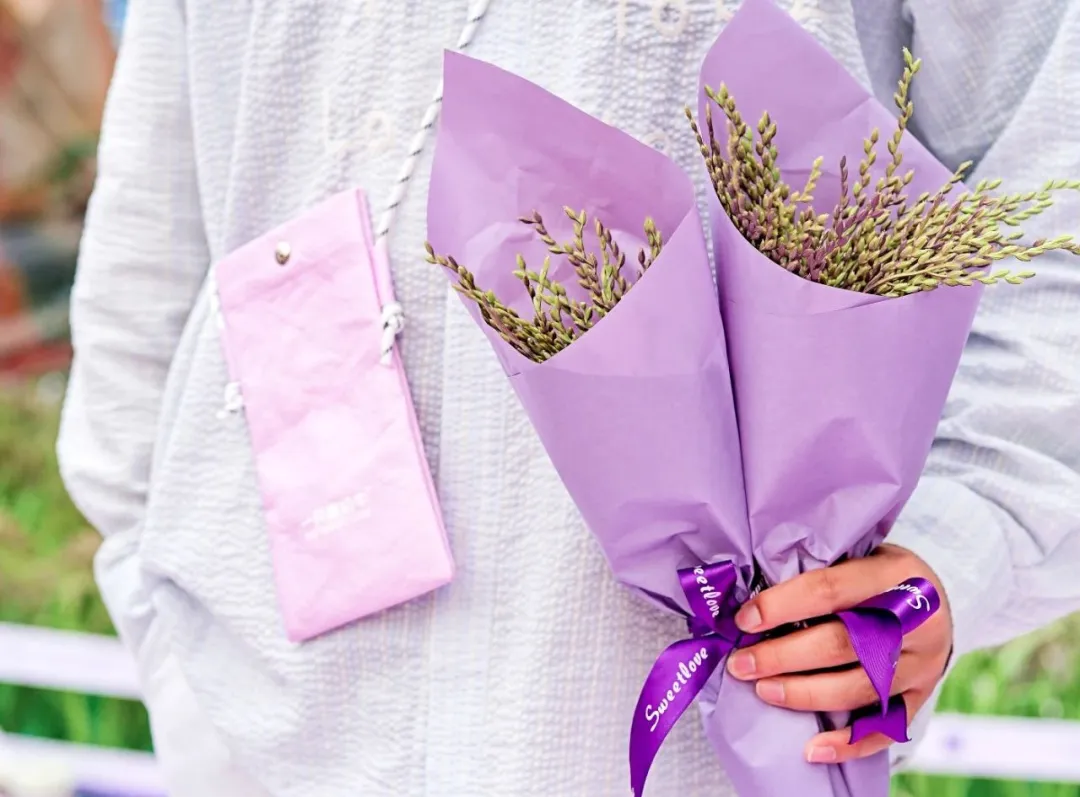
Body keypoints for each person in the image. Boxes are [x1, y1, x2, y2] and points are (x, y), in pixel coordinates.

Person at [57, 0, 1080, 795]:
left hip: (685, 731)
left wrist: (962, 541)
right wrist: (176, 654)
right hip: (260, 727)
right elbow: (153, 248)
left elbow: (1051, 175)